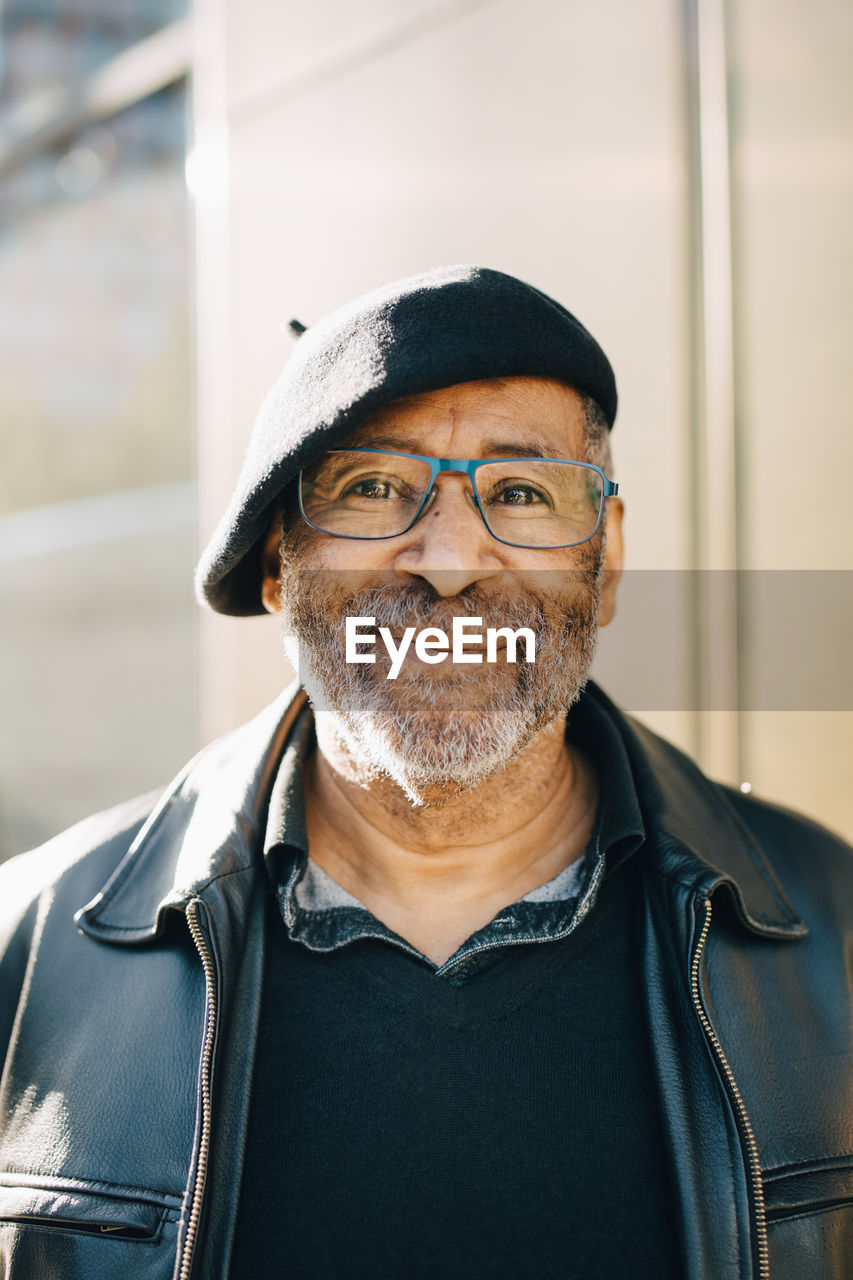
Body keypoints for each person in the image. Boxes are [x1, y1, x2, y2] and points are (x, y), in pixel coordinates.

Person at [0, 265, 850, 1280]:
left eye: (522, 493)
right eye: (372, 487)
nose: (449, 559)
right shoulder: (31, 954)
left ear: (606, 561)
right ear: (278, 562)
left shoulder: (831, 937)